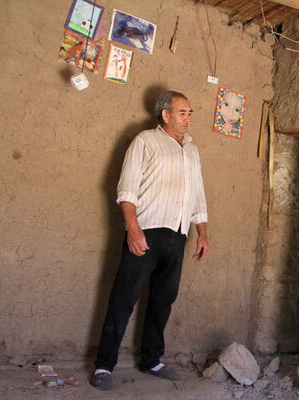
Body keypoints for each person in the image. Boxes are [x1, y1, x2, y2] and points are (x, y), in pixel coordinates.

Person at [90, 90, 209, 391]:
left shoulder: (192, 150)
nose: (188, 117)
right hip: (146, 231)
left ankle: (151, 360)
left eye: (190, 112)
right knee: (123, 299)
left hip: (178, 234)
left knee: (163, 301)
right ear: (165, 115)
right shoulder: (146, 141)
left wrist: (202, 232)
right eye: (182, 112)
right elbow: (125, 189)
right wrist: (133, 228)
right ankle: (104, 365)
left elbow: (197, 194)